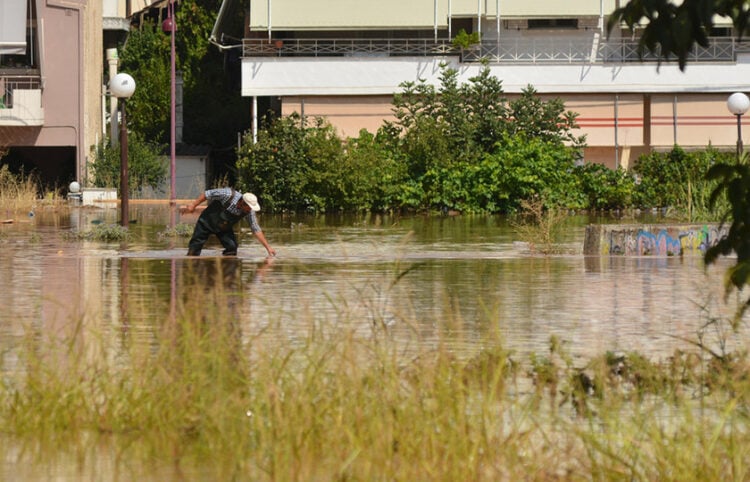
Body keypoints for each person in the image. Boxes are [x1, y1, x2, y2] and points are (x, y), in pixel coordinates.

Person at [182, 187, 276, 257]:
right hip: (206, 222)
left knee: (232, 248)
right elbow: (208, 194)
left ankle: (225, 274)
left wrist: (268, 248)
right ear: (242, 203)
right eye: (249, 208)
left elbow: (255, 228)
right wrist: (193, 205)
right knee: (194, 250)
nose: (250, 210)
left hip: (223, 229)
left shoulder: (249, 212)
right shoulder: (227, 194)